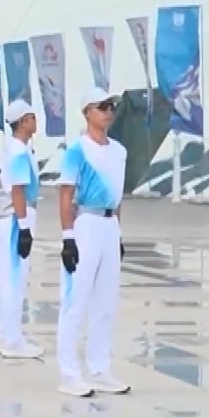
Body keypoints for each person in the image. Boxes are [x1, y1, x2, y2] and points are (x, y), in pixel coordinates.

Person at [55, 87, 132, 399]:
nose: (108, 111)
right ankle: (69, 373)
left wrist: (118, 234)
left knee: (105, 302)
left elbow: (117, 196)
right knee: (76, 300)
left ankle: (100, 369)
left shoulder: (119, 152)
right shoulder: (76, 151)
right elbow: (65, 195)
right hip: (85, 222)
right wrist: (68, 237)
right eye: (102, 106)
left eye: (111, 106)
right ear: (87, 112)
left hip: (109, 225)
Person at [0, 100, 41, 360]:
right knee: (15, 279)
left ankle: (5, 334)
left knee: (5, 278)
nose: (36, 121)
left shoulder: (12, 148)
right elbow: (18, 190)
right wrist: (24, 227)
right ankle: (12, 340)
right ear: (23, 122)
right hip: (17, 216)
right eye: (32, 117)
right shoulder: (20, 152)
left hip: (9, 216)